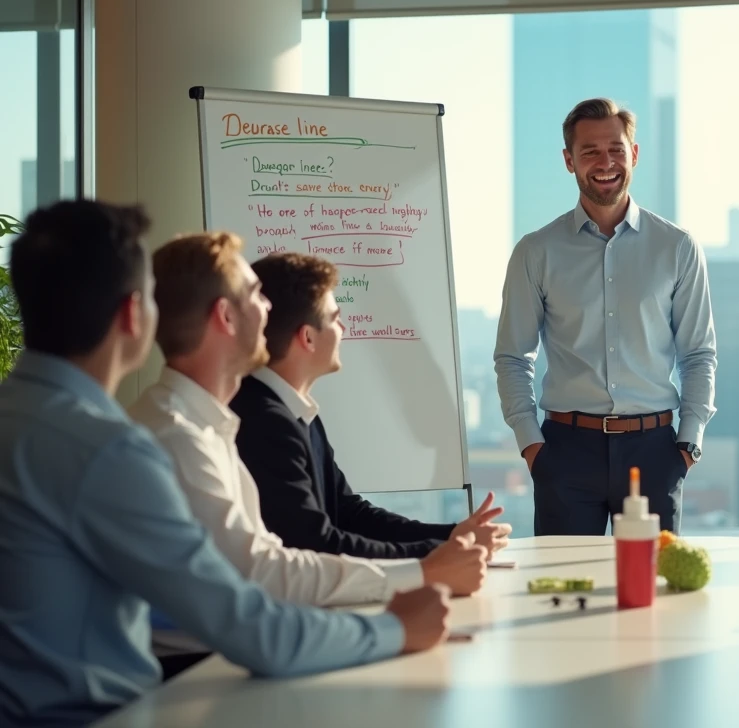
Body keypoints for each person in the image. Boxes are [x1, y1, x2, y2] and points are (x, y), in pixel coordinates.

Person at [0, 202, 451, 727]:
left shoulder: (25, 419)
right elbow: (249, 624)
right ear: (133, 314)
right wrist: (396, 628)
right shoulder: (108, 450)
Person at [128, 233, 487, 671]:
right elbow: (264, 574)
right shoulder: (180, 435)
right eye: (256, 295)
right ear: (225, 316)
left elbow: (277, 561)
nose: (267, 309)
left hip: (224, 655)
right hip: (195, 669)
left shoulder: (207, 422)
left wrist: (436, 557)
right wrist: (424, 573)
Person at [494, 97, 717, 535]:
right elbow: (513, 357)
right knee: (564, 593)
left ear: (633, 154)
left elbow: (698, 353)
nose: (605, 162)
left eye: (616, 148)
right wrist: (532, 446)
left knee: (652, 593)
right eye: (590, 151)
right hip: (565, 452)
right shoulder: (536, 251)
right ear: (569, 161)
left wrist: (688, 444)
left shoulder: (677, 247)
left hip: (655, 452)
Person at [230, 251, 512, 561]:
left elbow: (349, 512)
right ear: (308, 337)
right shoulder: (263, 421)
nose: (344, 330)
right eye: (335, 319)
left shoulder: (297, 412)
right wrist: (443, 551)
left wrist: (451, 536)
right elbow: (315, 543)